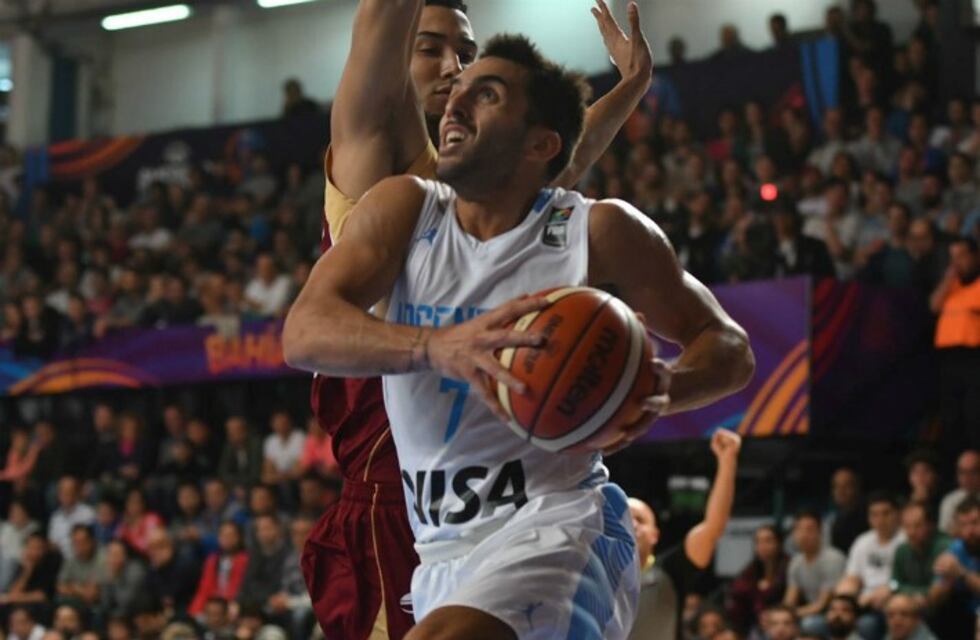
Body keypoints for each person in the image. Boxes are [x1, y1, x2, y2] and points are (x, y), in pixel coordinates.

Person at [284, 32, 753, 640]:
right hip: (440, 556)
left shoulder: (597, 230)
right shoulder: (402, 208)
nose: (454, 101)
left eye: (488, 94)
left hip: (562, 526)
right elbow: (304, 331)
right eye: (460, 90)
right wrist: (437, 347)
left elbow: (730, 348)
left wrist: (660, 388)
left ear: (541, 144)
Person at [630, 431, 742, 640]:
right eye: (625, 519)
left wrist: (727, 461)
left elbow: (713, 527)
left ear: (654, 535)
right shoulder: (595, 574)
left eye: (640, 519)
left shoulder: (670, 570)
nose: (632, 524)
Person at [930, 238, 980, 448]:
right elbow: (934, 306)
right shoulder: (951, 286)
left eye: (961, 256)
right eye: (952, 258)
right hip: (948, 359)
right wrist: (946, 282)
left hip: (973, 357)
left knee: (973, 414)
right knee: (950, 416)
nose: (956, 263)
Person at [837, 492, 907, 640]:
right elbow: (852, 578)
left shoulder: (906, 541)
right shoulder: (862, 541)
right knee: (827, 621)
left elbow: (905, 580)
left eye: (886, 513)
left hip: (894, 600)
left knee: (866, 624)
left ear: (898, 514)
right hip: (863, 601)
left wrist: (891, 588)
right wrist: (844, 596)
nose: (880, 520)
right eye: (874, 515)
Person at [784, 509, 847, 636]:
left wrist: (792, 615)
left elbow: (822, 605)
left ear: (820, 532)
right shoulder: (796, 562)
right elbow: (790, 598)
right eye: (798, 529)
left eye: (809, 529)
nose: (803, 534)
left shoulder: (833, 558)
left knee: (809, 624)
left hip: (834, 614)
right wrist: (781, 615)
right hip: (808, 611)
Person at [726, 524, 788, 635]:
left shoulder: (788, 566)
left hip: (781, 619)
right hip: (755, 621)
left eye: (768, 541)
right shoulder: (752, 568)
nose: (762, 546)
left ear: (779, 543)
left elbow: (787, 600)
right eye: (758, 542)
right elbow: (737, 590)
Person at [891, 502, 950, 607]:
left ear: (931, 525)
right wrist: (914, 594)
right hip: (913, 602)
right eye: (907, 526)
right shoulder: (902, 550)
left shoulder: (946, 548)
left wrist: (907, 592)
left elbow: (938, 590)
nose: (911, 532)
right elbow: (894, 584)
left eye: (917, 526)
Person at [47, 477, 95, 561]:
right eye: (63, 492)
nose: (66, 496)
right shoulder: (55, 517)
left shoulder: (88, 514)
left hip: (83, 559)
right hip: (62, 560)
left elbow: (91, 543)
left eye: (69, 492)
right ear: (58, 495)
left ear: (76, 493)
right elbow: (53, 543)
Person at [826, 467, 867, 555]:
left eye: (846, 486)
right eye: (836, 486)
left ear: (856, 488)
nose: (840, 491)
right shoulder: (836, 517)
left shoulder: (867, 516)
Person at [938, 450, 980, 536]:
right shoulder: (950, 500)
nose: (967, 477)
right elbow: (944, 534)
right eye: (962, 472)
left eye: (973, 472)